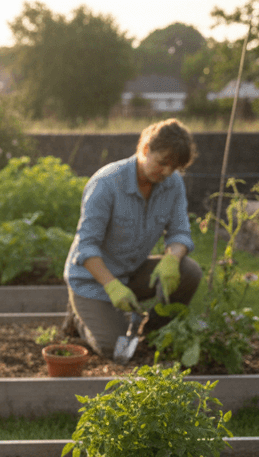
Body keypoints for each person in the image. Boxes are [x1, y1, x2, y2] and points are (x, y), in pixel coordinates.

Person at [61, 118, 201, 357]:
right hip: (92, 280)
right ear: (145, 149)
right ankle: (78, 318)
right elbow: (86, 248)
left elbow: (179, 232)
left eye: (174, 167)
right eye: (162, 162)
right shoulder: (106, 183)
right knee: (112, 348)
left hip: (131, 271)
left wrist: (172, 259)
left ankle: (153, 333)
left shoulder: (173, 184)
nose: (167, 171)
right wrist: (112, 286)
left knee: (189, 271)